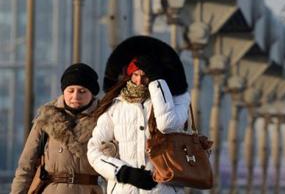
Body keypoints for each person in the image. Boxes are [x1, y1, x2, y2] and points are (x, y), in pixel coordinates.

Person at [87, 55, 190, 194]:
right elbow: (95, 151)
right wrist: (123, 172)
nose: (139, 81)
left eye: (146, 76)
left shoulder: (174, 102)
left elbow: (168, 124)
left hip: (163, 189)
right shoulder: (115, 106)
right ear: (129, 75)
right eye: (135, 74)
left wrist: (157, 82)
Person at [11, 63, 104, 194]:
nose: (75, 97)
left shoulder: (104, 120)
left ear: (92, 93)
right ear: (63, 91)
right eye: (70, 91)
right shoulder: (47, 118)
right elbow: (26, 165)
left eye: (82, 91)